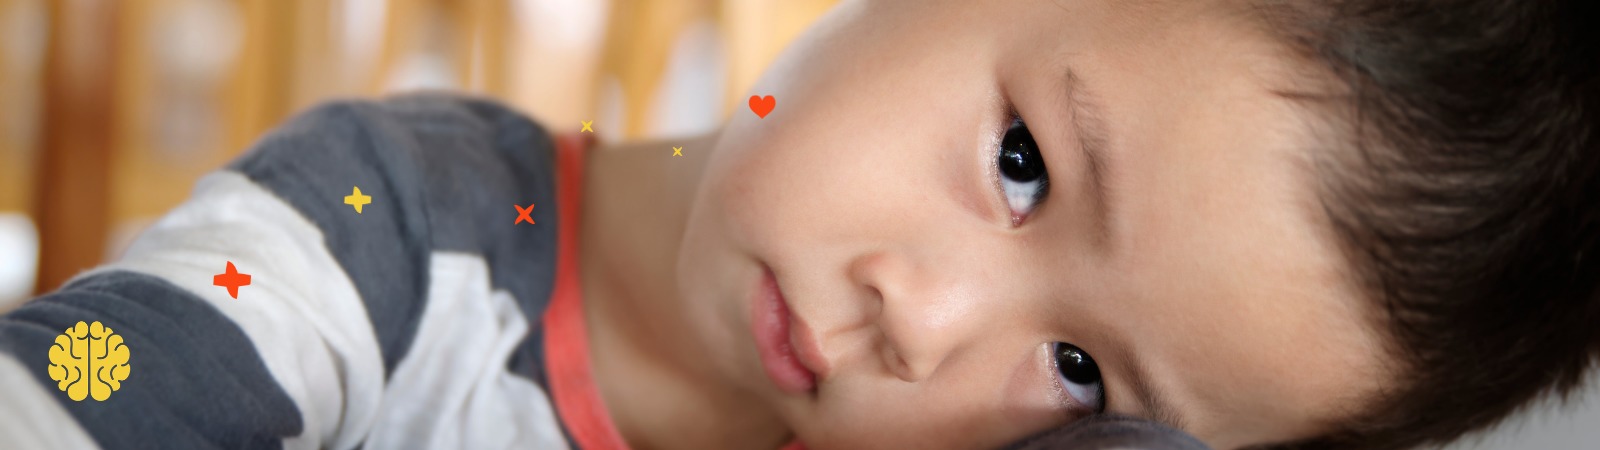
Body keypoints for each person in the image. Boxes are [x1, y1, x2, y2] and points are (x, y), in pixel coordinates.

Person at [2, 0, 1597, 448]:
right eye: (1028, 162)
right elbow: (88, 367)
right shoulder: (380, 219)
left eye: (1082, 371)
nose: (929, 324)